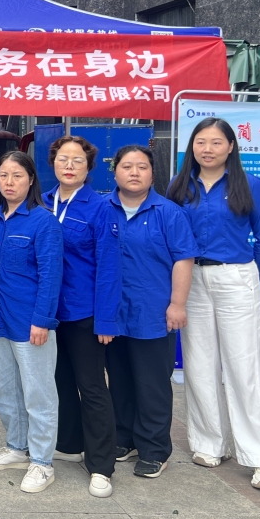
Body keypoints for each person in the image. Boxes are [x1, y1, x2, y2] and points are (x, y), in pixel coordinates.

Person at [167, 117, 260, 492]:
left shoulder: (249, 184)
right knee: (199, 364)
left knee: (245, 368)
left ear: (231, 146)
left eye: (216, 142)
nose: (208, 149)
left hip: (236, 278)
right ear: (192, 146)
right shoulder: (179, 185)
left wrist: (249, 276)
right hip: (192, 280)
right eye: (201, 142)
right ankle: (208, 443)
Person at [107, 145, 196, 479]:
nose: (134, 172)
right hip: (112, 313)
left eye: (142, 167)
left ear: (153, 174)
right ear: (114, 171)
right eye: (127, 166)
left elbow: (183, 260)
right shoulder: (102, 209)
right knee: (119, 380)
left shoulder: (169, 213)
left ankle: (154, 449)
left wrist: (177, 304)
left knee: (152, 384)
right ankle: (124, 438)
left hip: (153, 312)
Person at [42, 135, 121, 499]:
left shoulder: (100, 208)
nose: (69, 166)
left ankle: (102, 464)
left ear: (89, 167)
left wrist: (106, 319)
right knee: (59, 380)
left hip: (84, 311)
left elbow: (109, 267)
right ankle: (70, 444)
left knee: (91, 386)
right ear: (53, 164)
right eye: (63, 159)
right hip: (49, 311)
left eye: (77, 160)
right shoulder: (43, 202)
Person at [0, 150, 63, 493]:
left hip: (29, 321)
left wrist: (42, 320)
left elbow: (51, 276)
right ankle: (17, 446)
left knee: (38, 393)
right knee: (3, 390)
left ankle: (42, 461)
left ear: (31, 180)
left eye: (17, 175)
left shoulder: (43, 221)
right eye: (3, 175)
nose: (9, 182)